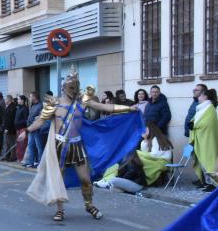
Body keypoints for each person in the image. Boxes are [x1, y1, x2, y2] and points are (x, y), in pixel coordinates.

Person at [21, 68, 142, 221]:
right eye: (71, 88)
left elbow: (105, 107)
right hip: (60, 147)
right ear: (64, 88)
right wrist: (26, 130)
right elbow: (40, 121)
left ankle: (89, 205)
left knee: (85, 179)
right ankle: (60, 210)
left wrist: (128, 108)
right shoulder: (54, 104)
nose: (74, 91)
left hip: (77, 146)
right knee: (59, 179)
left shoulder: (82, 102)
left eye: (76, 88)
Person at [95, 122, 173, 195]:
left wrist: (139, 153)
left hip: (161, 161)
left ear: (151, 130)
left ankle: (116, 180)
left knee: (135, 158)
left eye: (145, 129)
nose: (142, 131)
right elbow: (146, 155)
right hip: (153, 160)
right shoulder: (144, 142)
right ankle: (106, 179)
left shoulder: (156, 139)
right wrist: (143, 145)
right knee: (128, 159)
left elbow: (154, 155)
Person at [188, 88, 218, 192]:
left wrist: (194, 125)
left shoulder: (209, 109)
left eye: (200, 95)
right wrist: (192, 123)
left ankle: (214, 183)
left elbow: (206, 123)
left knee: (208, 160)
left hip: (207, 139)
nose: (198, 97)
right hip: (200, 138)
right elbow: (197, 120)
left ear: (205, 96)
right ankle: (207, 182)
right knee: (202, 161)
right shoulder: (202, 108)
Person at [21, 91, 43, 168]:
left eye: (30, 96)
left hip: (37, 129)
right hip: (30, 129)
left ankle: (41, 163)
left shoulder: (41, 105)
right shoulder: (33, 106)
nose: (29, 98)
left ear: (34, 97)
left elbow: (41, 118)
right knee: (30, 146)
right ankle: (31, 161)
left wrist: (33, 120)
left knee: (39, 147)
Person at [1, 95, 17, 161]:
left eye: (5, 100)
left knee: (11, 143)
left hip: (10, 129)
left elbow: (10, 119)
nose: (5, 101)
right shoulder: (9, 107)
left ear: (9, 100)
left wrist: (7, 128)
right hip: (7, 128)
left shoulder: (12, 107)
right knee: (7, 143)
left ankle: (12, 157)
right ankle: (6, 156)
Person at [14, 95, 29, 162]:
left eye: (18, 99)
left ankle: (23, 159)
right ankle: (19, 158)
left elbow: (26, 119)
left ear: (22, 100)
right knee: (19, 145)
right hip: (18, 129)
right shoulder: (18, 108)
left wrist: (18, 122)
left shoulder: (25, 108)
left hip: (23, 128)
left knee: (23, 145)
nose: (17, 101)